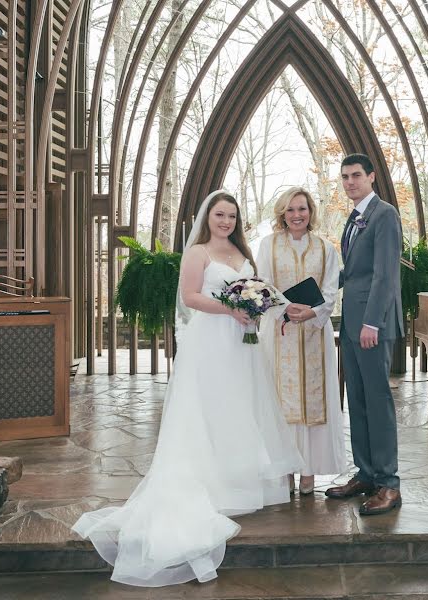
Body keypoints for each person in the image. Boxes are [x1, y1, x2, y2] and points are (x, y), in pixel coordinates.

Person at [72, 190, 302, 587]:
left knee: (239, 409)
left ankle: (239, 478)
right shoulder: (197, 253)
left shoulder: (240, 252)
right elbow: (190, 297)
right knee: (209, 408)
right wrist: (230, 309)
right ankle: (210, 481)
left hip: (241, 344)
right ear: (207, 217)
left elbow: (255, 291)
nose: (226, 221)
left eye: (231, 215)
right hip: (210, 342)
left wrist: (253, 309)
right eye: (219, 215)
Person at [325, 154, 404, 515]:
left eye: (356, 175)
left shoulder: (384, 214)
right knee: (356, 400)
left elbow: (385, 274)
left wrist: (372, 322)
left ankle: (388, 483)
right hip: (352, 324)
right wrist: (314, 289)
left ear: (371, 176)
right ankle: (366, 473)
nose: (350, 182)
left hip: (373, 325)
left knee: (377, 401)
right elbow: (353, 273)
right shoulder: (354, 218)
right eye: (344, 177)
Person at [256, 187, 347, 496]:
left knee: (312, 403)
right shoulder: (268, 246)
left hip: (314, 335)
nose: (297, 215)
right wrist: (285, 309)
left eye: (303, 209)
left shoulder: (325, 249)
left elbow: (331, 291)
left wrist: (312, 312)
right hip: (279, 333)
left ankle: (308, 471)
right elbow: (262, 286)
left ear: (311, 212)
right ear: (283, 213)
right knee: (280, 403)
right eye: (291, 209)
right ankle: (285, 471)